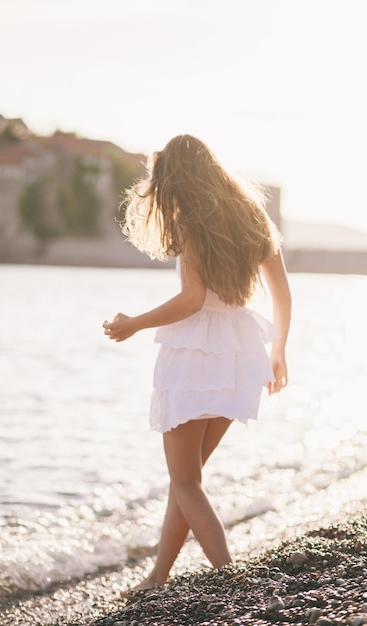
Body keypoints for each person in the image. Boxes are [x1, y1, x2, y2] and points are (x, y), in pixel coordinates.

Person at [103, 134, 291, 593]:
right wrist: (278, 349)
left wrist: (136, 323)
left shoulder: (190, 223)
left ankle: (229, 579)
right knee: (187, 479)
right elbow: (283, 294)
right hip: (240, 354)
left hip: (195, 357)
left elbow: (191, 300)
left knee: (186, 480)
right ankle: (158, 576)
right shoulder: (252, 217)